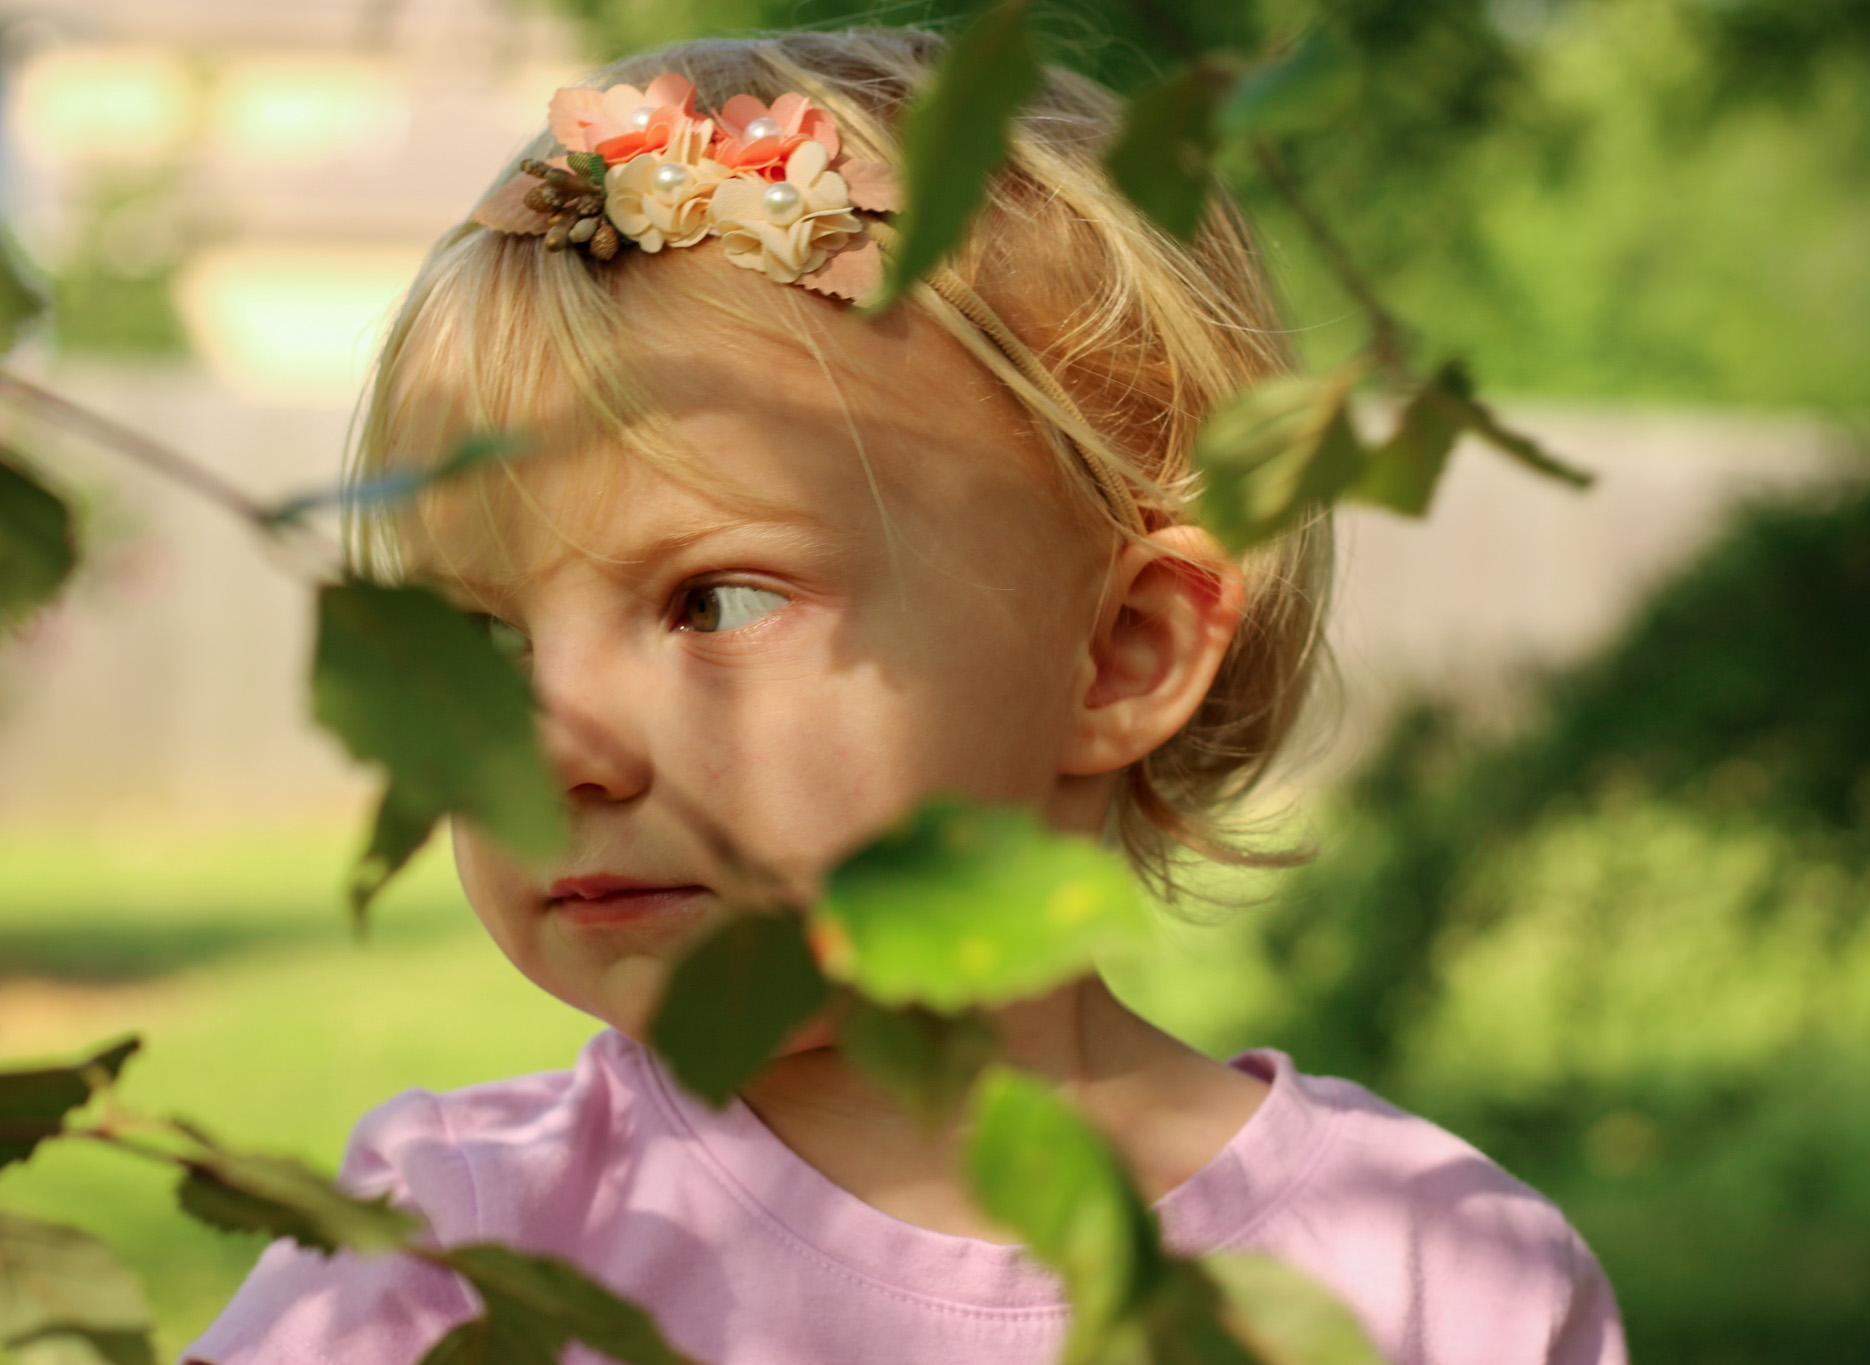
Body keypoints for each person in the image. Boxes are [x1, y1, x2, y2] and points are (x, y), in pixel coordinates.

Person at [184, 27, 1626, 1365]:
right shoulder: (450, 1252)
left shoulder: (1440, 1277)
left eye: (717, 601)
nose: (553, 747)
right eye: (483, 643)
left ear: (1121, 653)